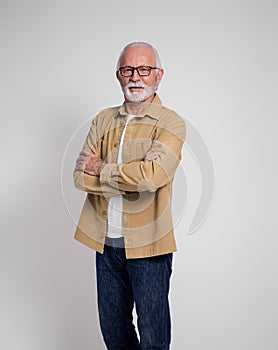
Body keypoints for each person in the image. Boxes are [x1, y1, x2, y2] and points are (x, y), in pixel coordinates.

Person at [74, 42, 186, 350]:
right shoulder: (102, 120)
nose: (135, 77)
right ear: (118, 75)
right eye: (128, 70)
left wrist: (102, 168)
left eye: (144, 69)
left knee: (153, 337)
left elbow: (152, 180)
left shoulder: (171, 123)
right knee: (114, 333)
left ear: (158, 75)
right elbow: (79, 176)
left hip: (149, 245)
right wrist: (129, 173)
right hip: (106, 243)